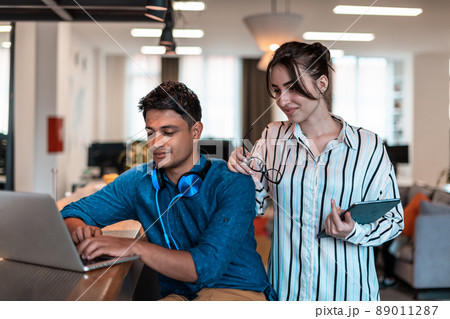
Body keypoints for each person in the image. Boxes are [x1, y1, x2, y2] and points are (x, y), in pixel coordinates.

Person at [61, 81, 274, 301]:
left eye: (168, 132)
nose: (156, 143)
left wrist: (133, 248)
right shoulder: (138, 181)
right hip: (180, 296)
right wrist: (81, 230)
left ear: (196, 131)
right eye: (150, 133)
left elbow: (206, 267)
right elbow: (70, 213)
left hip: (238, 291)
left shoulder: (233, 182)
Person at [228, 41, 404, 301]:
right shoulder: (272, 137)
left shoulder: (368, 146)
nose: (282, 100)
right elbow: (251, 206)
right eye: (276, 90)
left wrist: (354, 231)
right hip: (288, 292)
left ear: (322, 83)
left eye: (292, 87)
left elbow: (394, 221)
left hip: (348, 295)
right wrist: (241, 175)